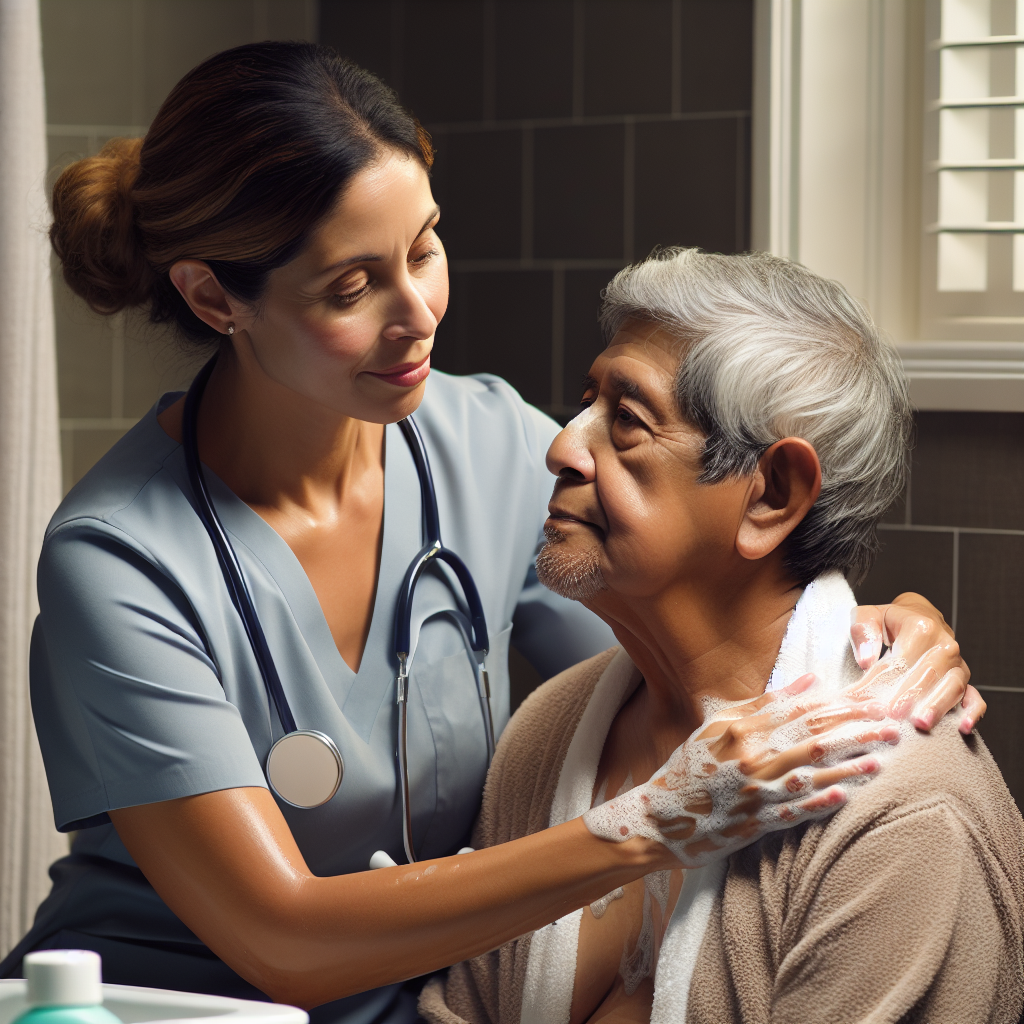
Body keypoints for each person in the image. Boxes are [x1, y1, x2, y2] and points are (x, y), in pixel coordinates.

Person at [1, 42, 979, 1024]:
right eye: (352, 287)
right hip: (155, 1006)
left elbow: (675, 662)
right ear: (215, 297)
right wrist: (653, 823)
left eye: (423, 248)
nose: (417, 314)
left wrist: (854, 631)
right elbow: (282, 944)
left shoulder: (487, 444)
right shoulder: (119, 559)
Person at [419, 250, 1024, 1024]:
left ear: (771, 495)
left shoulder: (903, 816)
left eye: (627, 422)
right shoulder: (548, 734)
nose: (562, 447)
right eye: (588, 403)